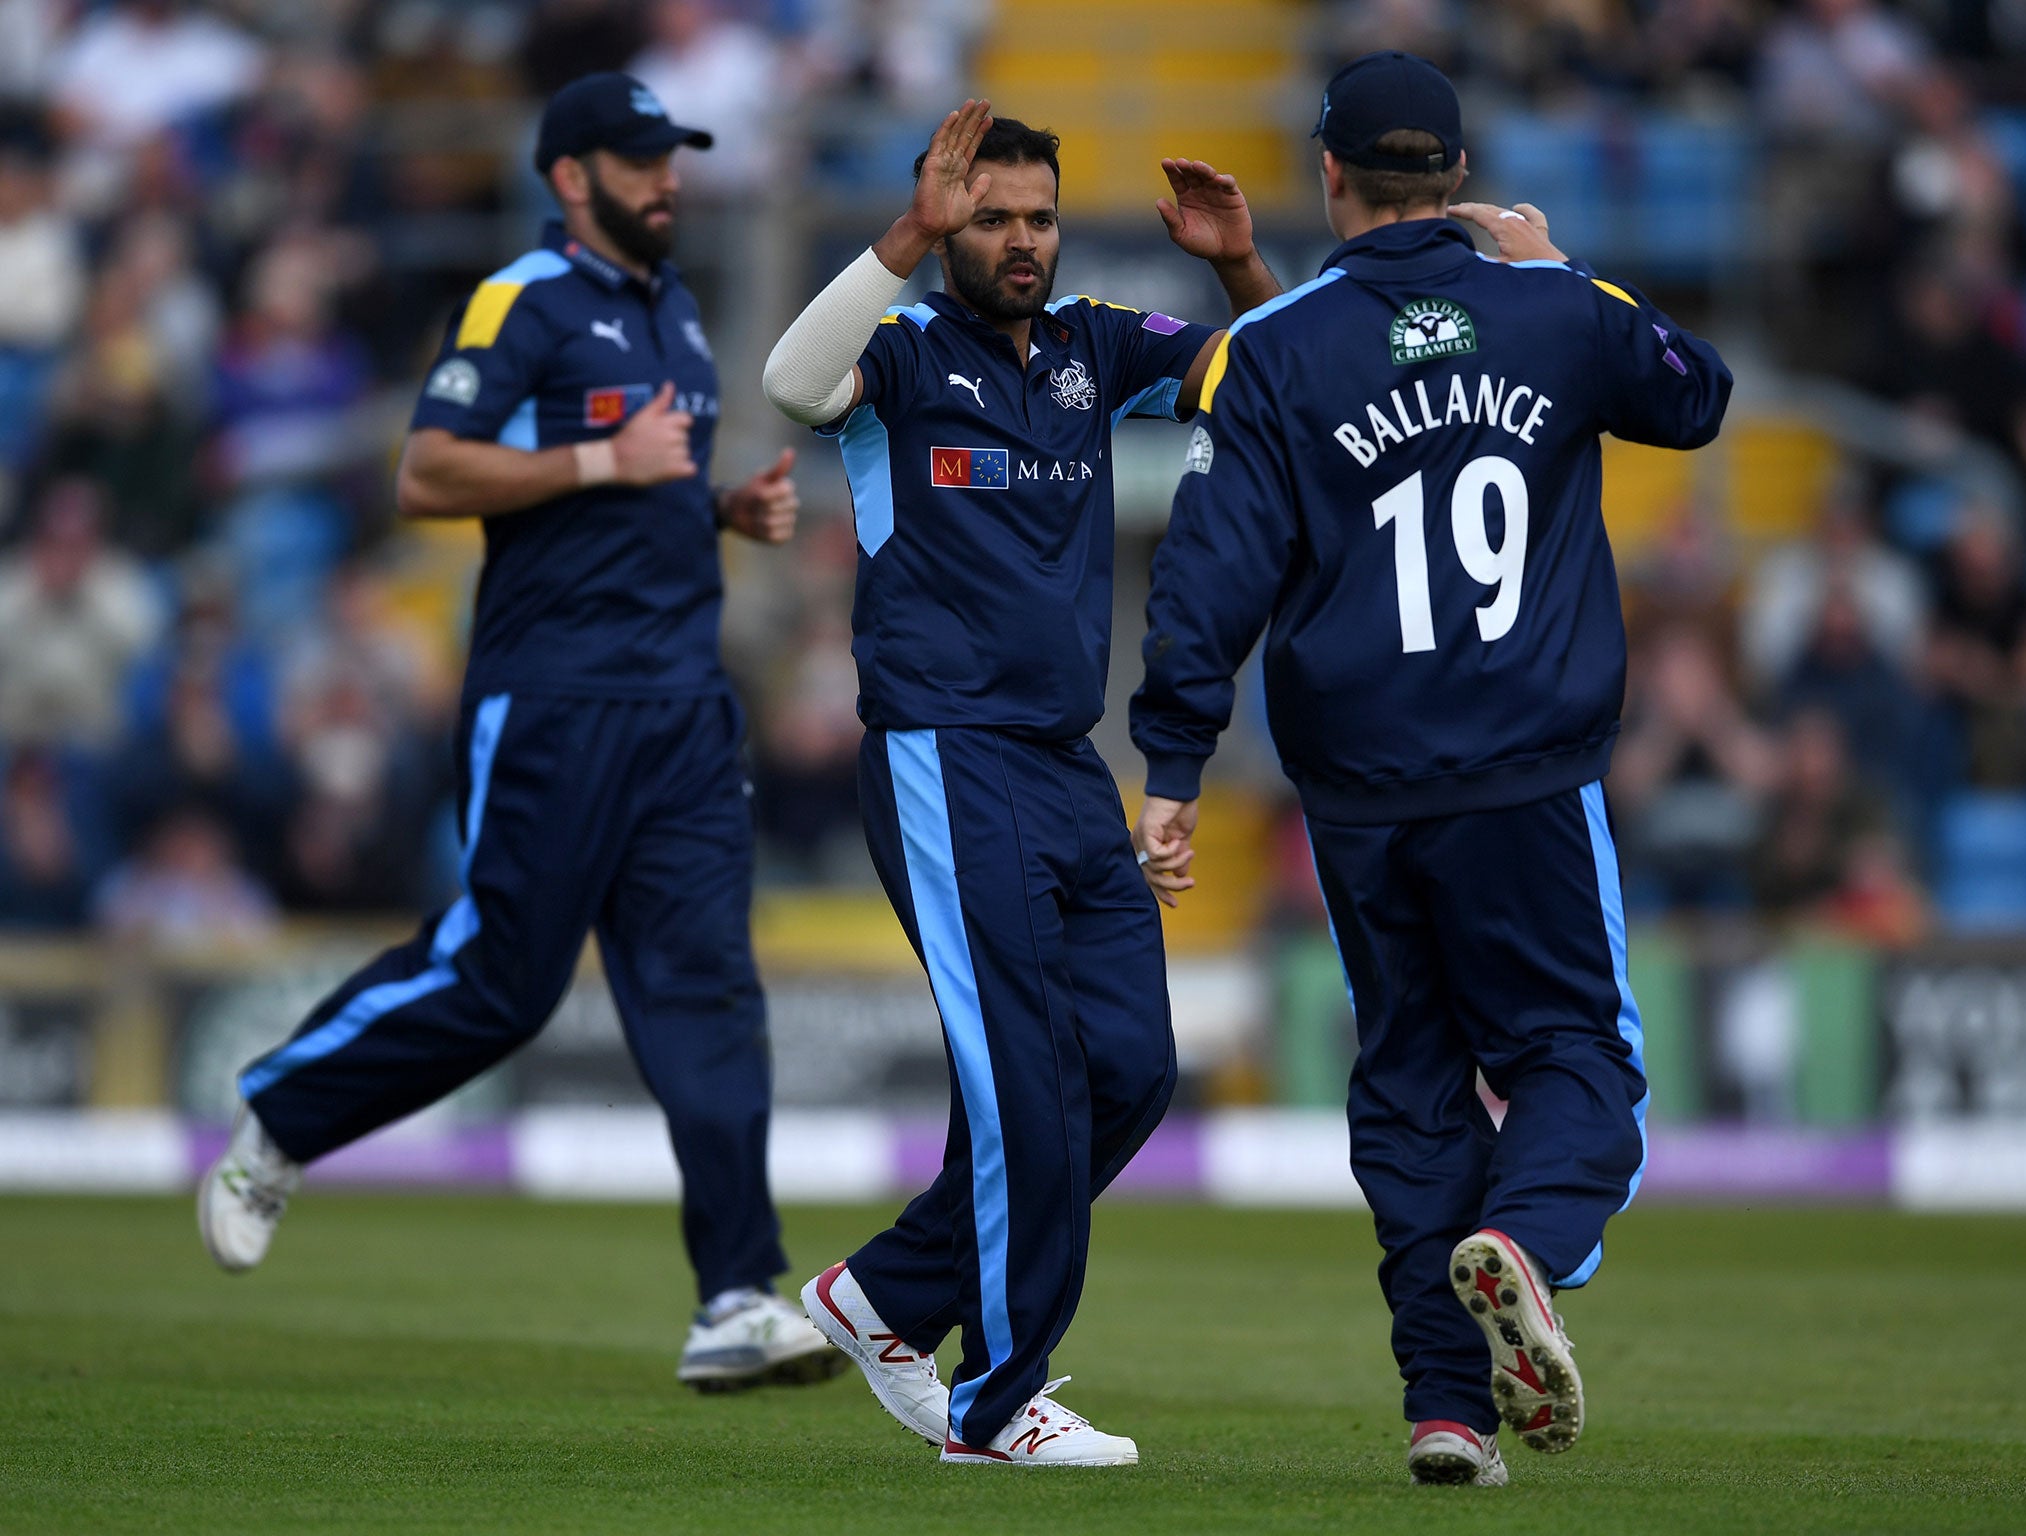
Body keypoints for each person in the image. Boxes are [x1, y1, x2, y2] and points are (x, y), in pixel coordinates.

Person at [1126, 52, 1733, 1486]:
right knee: (1579, 1055)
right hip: (1528, 777)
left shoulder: (1276, 344)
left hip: (1360, 799)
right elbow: (1697, 400)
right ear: (1457, 179)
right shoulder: (1553, 310)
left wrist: (1171, 760)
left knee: (1409, 1086)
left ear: (1328, 173)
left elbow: (1213, 566)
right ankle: (1522, 1244)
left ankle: (1447, 1409)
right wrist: (1561, 266)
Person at [197, 73, 836, 1395]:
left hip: (681, 706)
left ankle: (734, 1295)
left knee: (709, 992)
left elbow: (638, 482)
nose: (668, 181)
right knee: (505, 981)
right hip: (550, 698)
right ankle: (282, 1112)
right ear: (570, 176)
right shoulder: (520, 300)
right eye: (641, 161)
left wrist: (719, 508)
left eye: (674, 160)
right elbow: (427, 470)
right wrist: (609, 464)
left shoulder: (677, 311)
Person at [763, 102, 1280, 1465]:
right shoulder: (901, 357)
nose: (1021, 242)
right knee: (1029, 1088)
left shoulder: (1093, 349)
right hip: (942, 755)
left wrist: (1237, 263)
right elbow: (788, 383)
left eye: (1037, 218)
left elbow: (1286, 375)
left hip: (1065, 766)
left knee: (1130, 1072)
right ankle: (995, 1404)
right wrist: (903, 235)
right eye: (990, 219)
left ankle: (885, 1294)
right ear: (948, 227)